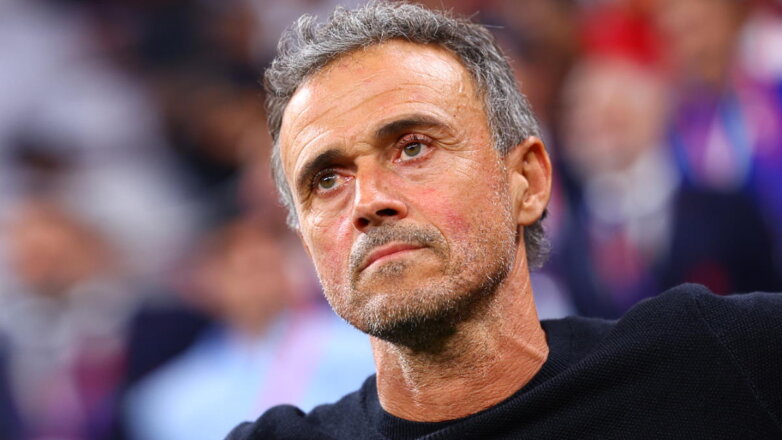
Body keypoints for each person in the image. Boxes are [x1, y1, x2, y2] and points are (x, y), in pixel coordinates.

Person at [226, 3, 782, 439]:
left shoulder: (716, 362)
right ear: (304, 240)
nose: (367, 201)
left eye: (413, 148)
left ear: (528, 181)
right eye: (327, 180)